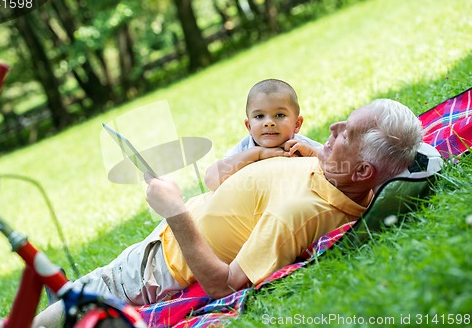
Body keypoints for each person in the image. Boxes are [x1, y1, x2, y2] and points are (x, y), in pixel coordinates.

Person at [33, 98, 422, 327]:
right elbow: (349, 164)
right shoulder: (343, 174)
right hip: (158, 248)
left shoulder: (301, 212)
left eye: (346, 133)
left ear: (362, 171)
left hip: (156, 270)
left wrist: (175, 213)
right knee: (64, 299)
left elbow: (225, 285)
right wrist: (318, 147)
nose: (334, 127)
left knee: (60, 313)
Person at [204, 78, 322, 191]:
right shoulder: (244, 149)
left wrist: (313, 153)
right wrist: (257, 153)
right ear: (249, 126)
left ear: (297, 124)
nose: (269, 123)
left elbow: (336, 167)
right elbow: (211, 180)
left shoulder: (302, 147)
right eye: (259, 116)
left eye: (279, 115)